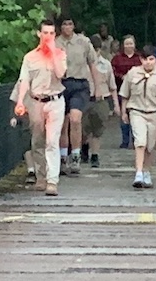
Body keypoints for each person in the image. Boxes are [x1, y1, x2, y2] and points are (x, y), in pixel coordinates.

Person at [12, 20, 67, 195]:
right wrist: (20, 101)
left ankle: (52, 181)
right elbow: (24, 81)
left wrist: (53, 52)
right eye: (45, 33)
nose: (48, 36)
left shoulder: (60, 54)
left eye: (51, 33)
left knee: (52, 141)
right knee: (37, 141)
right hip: (36, 101)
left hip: (55, 101)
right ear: (39, 34)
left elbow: (61, 74)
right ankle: (41, 176)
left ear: (55, 35)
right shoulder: (30, 57)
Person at [118, 48, 156, 189]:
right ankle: (138, 173)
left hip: (154, 112)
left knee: (150, 146)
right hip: (136, 111)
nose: (148, 62)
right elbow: (125, 94)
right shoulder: (133, 73)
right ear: (141, 60)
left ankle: (146, 171)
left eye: (151, 59)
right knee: (140, 142)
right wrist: (123, 112)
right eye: (145, 59)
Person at [57, 17, 104, 168]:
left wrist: (98, 87)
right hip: (61, 84)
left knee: (75, 119)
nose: (67, 27)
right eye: (64, 24)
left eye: (70, 24)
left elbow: (92, 65)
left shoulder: (83, 42)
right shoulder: (55, 43)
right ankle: (63, 156)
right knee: (63, 123)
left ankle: (76, 156)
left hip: (79, 84)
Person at [109, 35, 143, 152]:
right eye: (127, 44)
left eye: (131, 43)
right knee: (123, 115)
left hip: (137, 90)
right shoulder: (117, 58)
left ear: (134, 44)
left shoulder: (139, 58)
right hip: (121, 89)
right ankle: (125, 140)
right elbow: (112, 71)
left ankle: (135, 139)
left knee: (135, 115)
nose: (129, 46)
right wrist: (122, 76)